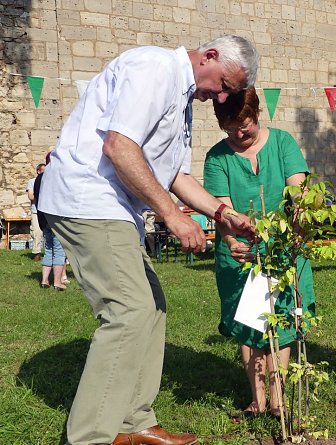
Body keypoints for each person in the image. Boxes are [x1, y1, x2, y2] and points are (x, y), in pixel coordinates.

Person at [38, 35, 259, 445]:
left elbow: (175, 175)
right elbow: (119, 146)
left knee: (152, 306)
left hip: (114, 207)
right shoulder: (155, 69)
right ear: (209, 56)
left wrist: (223, 216)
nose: (222, 97)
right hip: (88, 198)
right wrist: (172, 216)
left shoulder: (182, 98)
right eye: (225, 84)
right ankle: (88, 437)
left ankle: (133, 422)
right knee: (129, 311)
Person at [203, 87, 315, 418]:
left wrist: (298, 216)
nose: (239, 133)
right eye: (230, 127)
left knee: (281, 322)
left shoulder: (282, 143)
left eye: (245, 124)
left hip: (283, 250)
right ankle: (258, 399)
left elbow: (299, 190)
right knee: (251, 326)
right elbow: (220, 207)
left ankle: (279, 400)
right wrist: (231, 238)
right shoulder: (217, 157)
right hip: (240, 253)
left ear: (257, 114)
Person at [33, 156, 66, 291]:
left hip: (43, 217)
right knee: (59, 250)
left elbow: (35, 197)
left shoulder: (39, 177)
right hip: (56, 217)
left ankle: (44, 280)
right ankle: (57, 282)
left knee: (49, 249)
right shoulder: (58, 176)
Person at [27, 163, 45, 261]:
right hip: (36, 211)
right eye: (43, 171)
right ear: (38, 171)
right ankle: (36, 254)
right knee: (37, 232)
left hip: (47, 211)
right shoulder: (32, 181)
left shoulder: (49, 181)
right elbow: (30, 196)